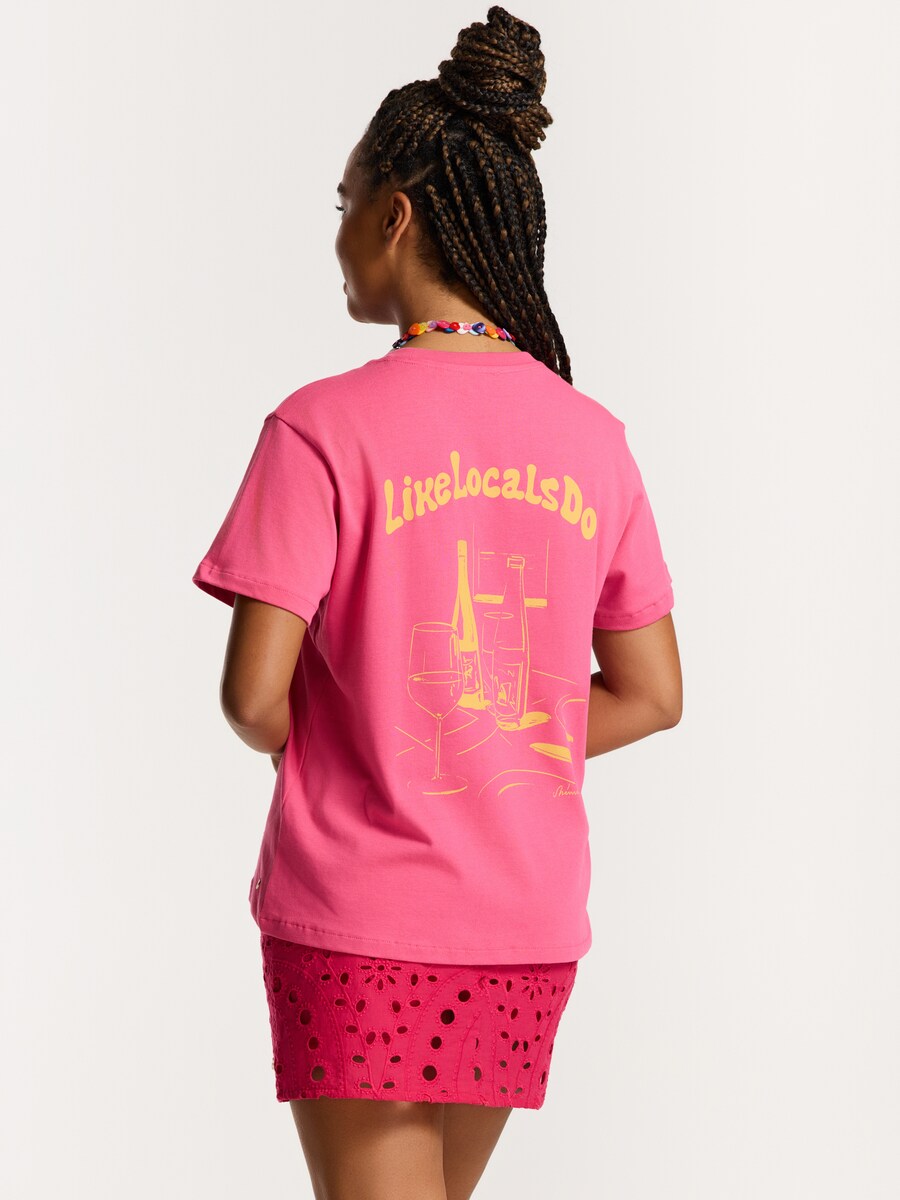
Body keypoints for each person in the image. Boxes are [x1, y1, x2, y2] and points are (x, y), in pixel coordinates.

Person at [192, 7, 682, 1198]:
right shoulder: (593, 441)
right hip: (523, 925)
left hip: (363, 917)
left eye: (345, 199)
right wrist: (490, 737)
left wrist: (370, 741)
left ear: (395, 215)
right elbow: (652, 694)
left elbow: (253, 698)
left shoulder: (321, 429)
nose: (338, 231)